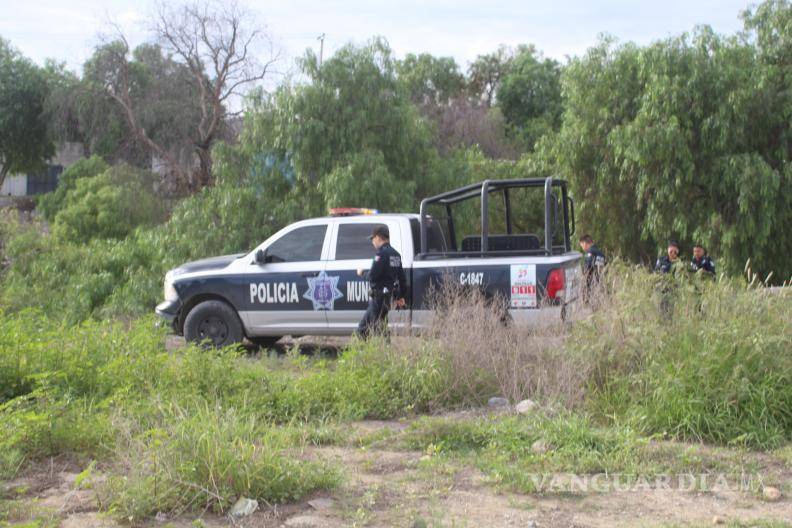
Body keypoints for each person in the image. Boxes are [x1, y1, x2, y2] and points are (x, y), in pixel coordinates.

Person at [355, 225, 407, 338]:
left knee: (372, 330)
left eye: (373, 239)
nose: (372, 242)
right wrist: (400, 297)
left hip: (378, 299)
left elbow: (372, 276)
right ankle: (373, 354)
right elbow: (403, 280)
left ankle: (383, 353)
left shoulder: (381, 254)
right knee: (371, 329)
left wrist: (362, 273)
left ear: (378, 237)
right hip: (388, 299)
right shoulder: (396, 255)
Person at [579, 234, 606, 305]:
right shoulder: (600, 253)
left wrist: (584, 277)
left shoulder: (590, 252)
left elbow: (588, 268)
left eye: (581, 245)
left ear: (585, 243)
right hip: (600, 282)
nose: (582, 248)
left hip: (592, 285)